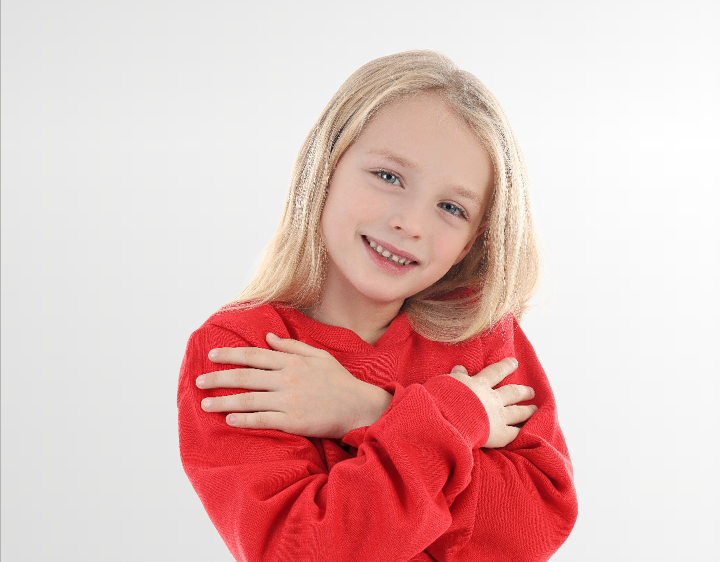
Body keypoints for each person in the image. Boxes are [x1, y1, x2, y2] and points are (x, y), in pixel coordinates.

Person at [176, 50, 576, 562]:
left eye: (451, 208)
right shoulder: (241, 351)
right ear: (327, 164)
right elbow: (306, 551)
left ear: (474, 240)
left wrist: (366, 409)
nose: (411, 222)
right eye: (388, 176)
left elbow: (532, 528)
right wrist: (459, 418)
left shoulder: (479, 331)